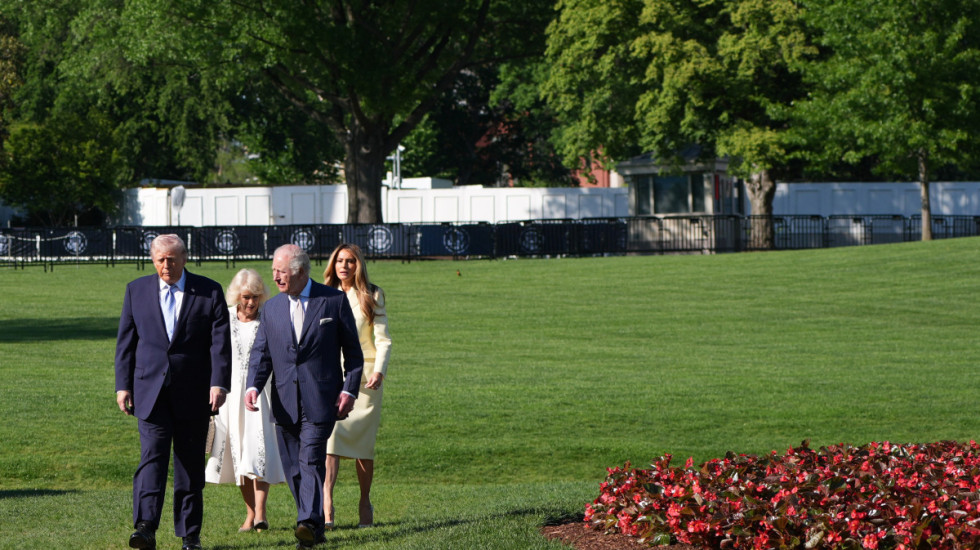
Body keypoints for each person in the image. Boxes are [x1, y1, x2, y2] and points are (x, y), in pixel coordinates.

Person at [114, 234, 231, 550]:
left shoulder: (208, 291)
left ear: (184, 258)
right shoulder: (136, 290)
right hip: (149, 392)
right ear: (153, 260)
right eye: (160, 259)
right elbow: (126, 343)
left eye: (172, 259)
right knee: (151, 459)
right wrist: (123, 385)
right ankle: (145, 527)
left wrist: (218, 383)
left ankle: (190, 535)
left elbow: (220, 343)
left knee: (190, 464)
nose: (166, 265)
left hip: (194, 393)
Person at [245, 244, 364, 548]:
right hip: (284, 402)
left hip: (321, 399)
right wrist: (253, 386)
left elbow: (353, 352)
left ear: (299, 271)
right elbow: (262, 353)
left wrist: (350, 389)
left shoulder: (332, 301)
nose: (274, 277)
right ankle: (314, 527)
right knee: (294, 467)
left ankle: (307, 523)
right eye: (273, 271)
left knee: (310, 458)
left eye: (280, 272)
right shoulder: (271, 308)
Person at [205, 268, 285, 533]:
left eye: (256, 297)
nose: (251, 303)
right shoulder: (224, 318)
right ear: (237, 296)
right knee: (237, 456)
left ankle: (261, 514)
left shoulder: (268, 318)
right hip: (229, 395)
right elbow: (213, 354)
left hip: (260, 392)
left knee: (257, 453)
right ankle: (250, 515)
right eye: (246, 297)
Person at [321, 243, 392, 529]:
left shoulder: (373, 295)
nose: (344, 266)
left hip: (365, 381)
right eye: (339, 261)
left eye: (350, 261)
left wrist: (379, 371)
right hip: (330, 378)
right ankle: (326, 503)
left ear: (358, 264)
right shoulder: (324, 294)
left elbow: (384, 339)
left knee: (363, 447)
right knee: (330, 442)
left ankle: (365, 501)